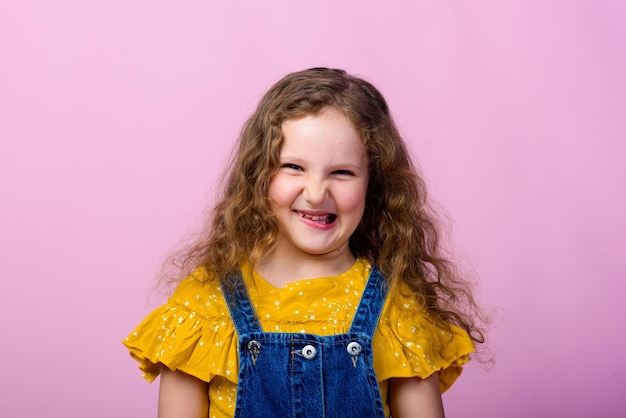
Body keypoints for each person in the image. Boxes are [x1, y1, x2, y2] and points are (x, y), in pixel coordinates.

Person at [123, 67, 485, 418]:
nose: (315, 193)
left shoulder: (398, 309)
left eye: (342, 172)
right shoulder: (203, 306)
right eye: (293, 167)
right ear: (259, 174)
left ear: (373, 185)